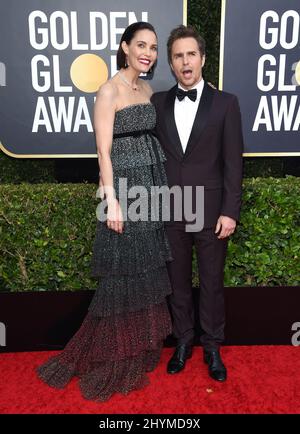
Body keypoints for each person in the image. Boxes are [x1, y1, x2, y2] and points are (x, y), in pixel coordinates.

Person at [37, 22, 173, 401]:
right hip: (125, 190)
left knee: (145, 269)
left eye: (153, 47)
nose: (148, 52)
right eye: (141, 45)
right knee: (122, 275)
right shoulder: (108, 89)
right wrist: (110, 199)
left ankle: (140, 346)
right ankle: (114, 352)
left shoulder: (145, 88)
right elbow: (103, 151)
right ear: (125, 47)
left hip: (151, 185)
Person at [151, 25, 243, 382]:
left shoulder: (226, 103)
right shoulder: (157, 103)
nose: (185, 62)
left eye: (191, 54)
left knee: (211, 282)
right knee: (176, 283)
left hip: (210, 212)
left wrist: (230, 211)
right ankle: (184, 341)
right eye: (178, 56)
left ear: (203, 59)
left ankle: (213, 346)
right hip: (172, 209)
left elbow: (234, 163)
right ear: (171, 64)